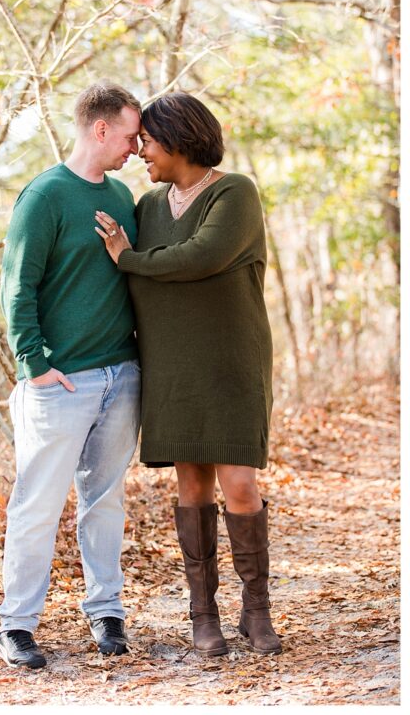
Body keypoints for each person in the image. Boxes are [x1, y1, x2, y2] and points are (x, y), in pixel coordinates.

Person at [94, 92, 282, 655]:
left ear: (177, 139)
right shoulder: (148, 206)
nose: (140, 152)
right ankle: (204, 615)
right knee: (191, 486)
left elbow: (201, 256)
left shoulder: (235, 192)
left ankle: (257, 612)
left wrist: (129, 259)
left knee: (241, 485)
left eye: (147, 141)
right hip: (171, 364)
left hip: (231, 361)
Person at [0, 81, 143, 669]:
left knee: (104, 503)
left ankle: (107, 614)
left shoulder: (126, 196)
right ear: (100, 128)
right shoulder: (45, 196)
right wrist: (34, 365)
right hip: (60, 385)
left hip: (121, 377)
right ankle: (17, 625)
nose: (137, 146)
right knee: (37, 504)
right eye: (131, 135)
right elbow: (17, 285)